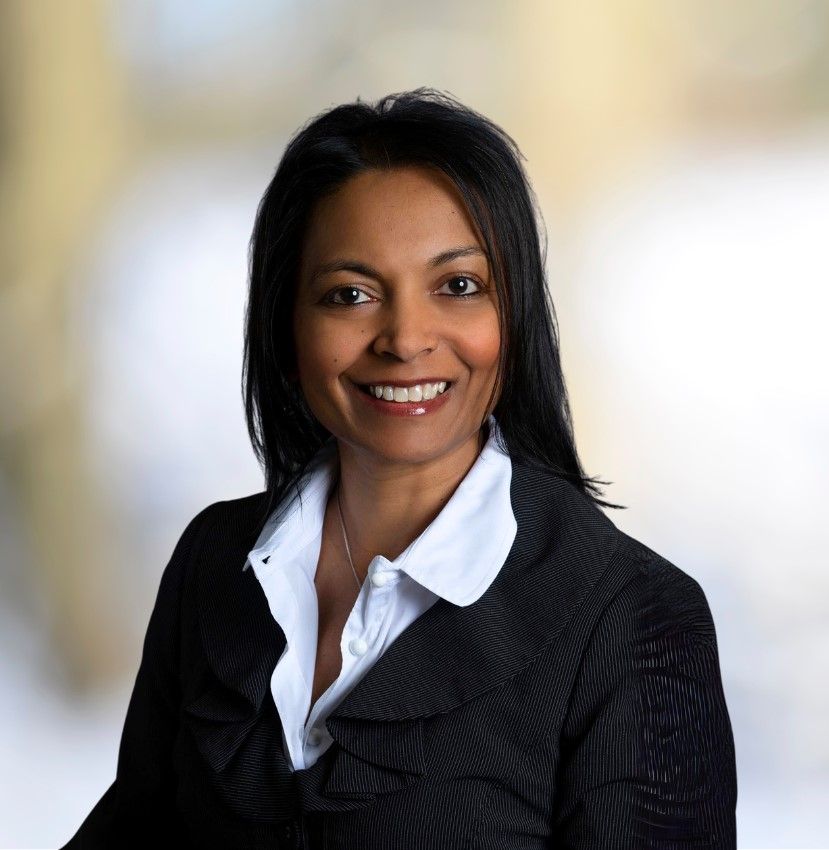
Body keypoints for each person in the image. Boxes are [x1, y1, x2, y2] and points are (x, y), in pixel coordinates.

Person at [64, 88, 736, 849]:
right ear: (287, 326)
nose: (406, 337)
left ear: (513, 317)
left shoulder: (633, 620)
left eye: (458, 286)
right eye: (350, 294)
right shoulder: (214, 566)